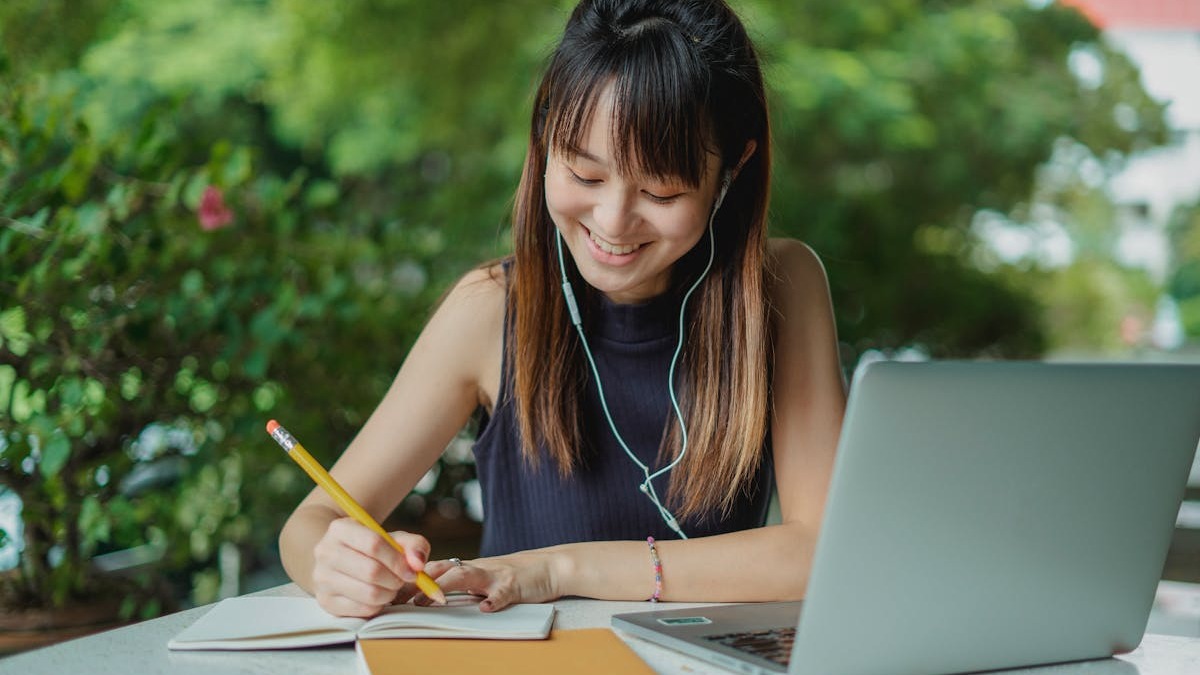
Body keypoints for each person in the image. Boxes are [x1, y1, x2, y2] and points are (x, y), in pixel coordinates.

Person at [279, 0, 846, 618]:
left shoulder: (782, 287)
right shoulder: (490, 309)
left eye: (661, 190)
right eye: (585, 174)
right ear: (546, 138)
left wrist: (559, 568)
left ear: (732, 169)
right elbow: (312, 522)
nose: (613, 222)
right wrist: (336, 565)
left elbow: (823, 552)